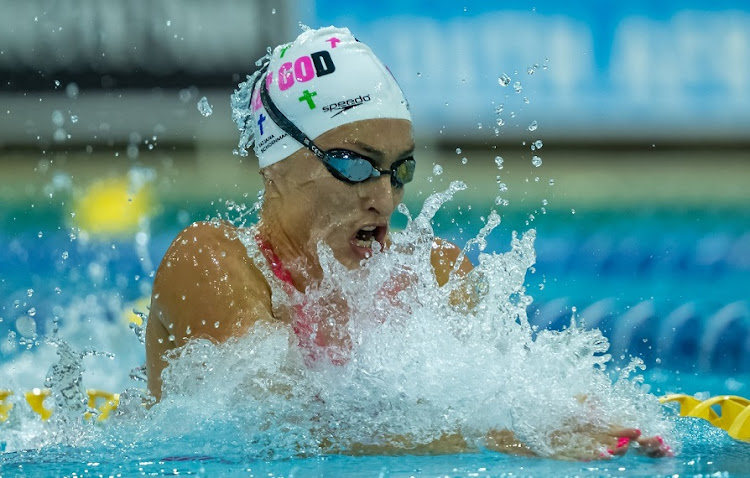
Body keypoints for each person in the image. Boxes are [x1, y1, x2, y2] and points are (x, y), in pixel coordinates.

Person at [145, 26, 670, 459]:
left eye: (400, 171)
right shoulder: (212, 262)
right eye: (354, 164)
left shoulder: (434, 274)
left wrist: (576, 415)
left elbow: (507, 387)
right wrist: (504, 438)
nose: (386, 201)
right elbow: (276, 430)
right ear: (276, 164)